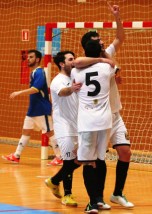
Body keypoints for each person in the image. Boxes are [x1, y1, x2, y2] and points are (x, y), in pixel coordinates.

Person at [78, 3, 134, 208]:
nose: (102, 41)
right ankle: (96, 198)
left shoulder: (106, 55)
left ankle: (117, 193)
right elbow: (76, 61)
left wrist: (117, 17)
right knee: (93, 159)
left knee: (125, 152)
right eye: (97, 40)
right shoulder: (84, 63)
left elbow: (120, 38)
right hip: (95, 118)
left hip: (114, 115)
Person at [45, 50, 113, 207]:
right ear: (62, 64)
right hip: (64, 127)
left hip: (79, 125)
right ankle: (67, 194)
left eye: (74, 58)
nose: (73, 61)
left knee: (80, 159)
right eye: (70, 59)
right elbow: (62, 92)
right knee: (69, 160)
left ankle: (54, 181)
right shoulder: (58, 81)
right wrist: (72, 89)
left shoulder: (77, 74)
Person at [71, 40, 116, 214]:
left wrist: (96, 57)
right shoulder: (107, 68)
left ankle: (92, 202)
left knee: (88, 162)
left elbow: (78, 62)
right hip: (104, 121)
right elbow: (112, 64)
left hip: (87, 122)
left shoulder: (76, 71)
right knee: (100, 159)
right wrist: (103, 56)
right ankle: (99, 199)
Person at [2, 49, 62, 166]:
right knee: (25, 131)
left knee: (50, 132)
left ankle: (60, 157)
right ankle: (16, 155)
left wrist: (18, 93)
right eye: (27, 57)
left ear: (37, 59)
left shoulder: (39, 72)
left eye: (31, 57)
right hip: (33, 109)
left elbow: (35, 89)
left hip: (41, 109)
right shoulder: (33, 73)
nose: (28, 59)